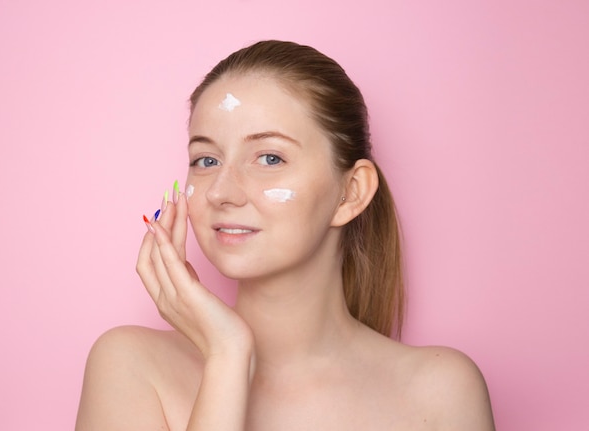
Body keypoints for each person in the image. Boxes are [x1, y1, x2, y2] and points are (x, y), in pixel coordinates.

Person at [75, 40, 495, 430]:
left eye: (270, 157)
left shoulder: (441, 391)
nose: (220, 192)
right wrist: (227, 355)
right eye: (205, 160)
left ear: (351, 192)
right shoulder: (131, 366)